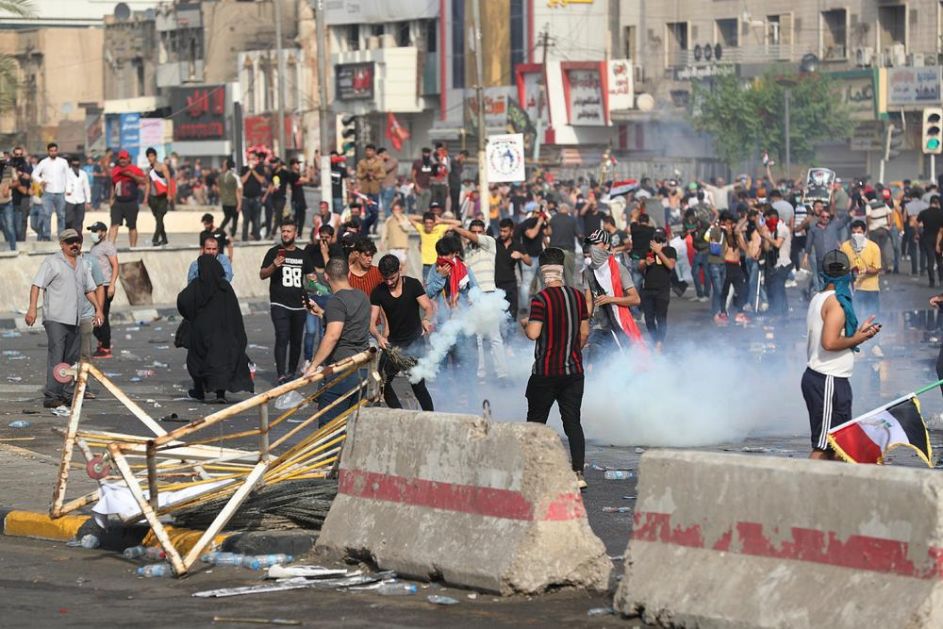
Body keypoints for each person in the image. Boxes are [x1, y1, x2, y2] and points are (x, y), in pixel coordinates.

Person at [803, 250, 881, 460]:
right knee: (824, 447)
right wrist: (860, 339)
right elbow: (829, 342)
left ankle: (831, 490)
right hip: (827, 379)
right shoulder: (836, 303)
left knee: (838, 447)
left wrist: (858, 334)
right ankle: (806, 489)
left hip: (830, 379)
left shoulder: (819, 297)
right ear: (847, 275)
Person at [522, 247, 590, 489]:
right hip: (573, 372)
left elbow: (533, 333)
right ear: (561, 270)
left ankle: (533, 472)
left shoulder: (540, 299)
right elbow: (584, 333)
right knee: (573, 423)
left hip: (545, 373)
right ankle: (579, 474)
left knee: (536, 423)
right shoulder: (577, 296)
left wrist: (525, 323)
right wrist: (572, 353)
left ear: (543, 272)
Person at [25, 229, 102, 409]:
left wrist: (98, 309)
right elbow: (37, 285)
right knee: (57, 356)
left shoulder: (83, 263)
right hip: (56, 318)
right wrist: (31, 309)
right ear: (62, 244)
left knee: (71, 358)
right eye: (70, 242)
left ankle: (68, 394)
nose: (74, 245)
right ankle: (52, 396)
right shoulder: (52, 262)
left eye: (77, 241)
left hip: (74, 318)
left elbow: (89, 289)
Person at [304, 258, 372, 425]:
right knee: (354, 427)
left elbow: (333, 336)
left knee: (330, 428)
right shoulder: (362, 297)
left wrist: (313, 366)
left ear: (326, 277)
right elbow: (349, 324)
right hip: (362, 370)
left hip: (341, 371)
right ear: (348, 273)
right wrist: (321, 313)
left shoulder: (336, 301)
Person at [177, 255, 253, 404]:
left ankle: (199, 390)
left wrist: (192, 315)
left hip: (200, 336)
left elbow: (182, 302)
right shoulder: (225, 287)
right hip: (223, 335)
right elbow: (234, 312)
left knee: (196, 362)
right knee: (221, 364)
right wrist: (237, 333)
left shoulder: (196, 286)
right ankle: (220, 394)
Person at [370, 254, 435, 411]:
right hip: (393, 345)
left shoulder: (412, 285)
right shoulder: (378, 292)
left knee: (418, 386)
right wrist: (378, 337)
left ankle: (430, 417)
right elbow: (371, 323)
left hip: (414, 343)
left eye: (392, 278)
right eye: (385, 279)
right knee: (382, 382)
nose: (389, 282)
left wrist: (426, 319)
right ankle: (399, 415)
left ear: (399, 270)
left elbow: (428, 307)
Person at [453, 219, 510, 380]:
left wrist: (454, 227)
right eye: (474, 231)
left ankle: (502, 374)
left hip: (490, 295)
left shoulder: (489, 243)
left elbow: (470, 236)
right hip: (474, 298)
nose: (476, 235)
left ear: (484, 232)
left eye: (479, 232)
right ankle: (481, 374)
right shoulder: (468, 252)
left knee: (494, 337)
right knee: (477, 339)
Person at [260, 221, 312, 384]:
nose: (285, 234)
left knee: (296, 340)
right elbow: (262, 274)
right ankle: (281, 374)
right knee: (282, 336)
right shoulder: (273, 252)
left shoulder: (303, 255)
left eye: (289, 231)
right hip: (279, 303)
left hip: (298, 305)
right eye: (283, 231)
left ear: (296, 234)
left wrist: (315, 285)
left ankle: (291, 372)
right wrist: (274, 266)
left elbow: (311, 280)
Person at [582, 229, 641, 362]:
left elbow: (635, 299)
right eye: (590, 244)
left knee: (623, 364)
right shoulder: (587, 271)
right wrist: (583, 324)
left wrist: (610, 299)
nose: (592, 247)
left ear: (607, 246)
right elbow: (588, 301)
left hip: (618, 326)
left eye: (595, 243)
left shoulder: (619, 269)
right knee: (593, 362)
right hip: (598, 327)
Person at [638, 228, 676, 348]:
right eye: (656, 237)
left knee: (661, 318)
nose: (658, 240)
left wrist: (659, 252)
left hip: (662, 290)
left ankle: (659, 343)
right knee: (649, 320)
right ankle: (655, 340)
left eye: (660, 237)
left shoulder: (670, 250)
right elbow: (639, 267)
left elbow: (670, 265)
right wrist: (646, 264)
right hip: (648, 289)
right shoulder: (647, 250)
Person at [86, 222, 118, 358]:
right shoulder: (95, 247)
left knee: (102, 316)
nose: (93, 233)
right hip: (95, 285)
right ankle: (101, 342)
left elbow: (115, 265)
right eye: (92, 231)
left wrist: (112, 285)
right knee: (93, 317)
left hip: (104, 285)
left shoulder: (108, 246)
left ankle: (105, 347)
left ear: (103, 232)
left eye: (96, 231)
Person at [840, 220, 881, 321]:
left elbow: (876, 268)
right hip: (854, 290)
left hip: (871, 288)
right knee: (855, 316)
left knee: (872, 317)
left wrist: (866, 270)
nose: (856, 235)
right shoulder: (845, 246)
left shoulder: (873, 247)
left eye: (859, 233)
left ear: (865, 233)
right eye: (854, 233)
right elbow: (841, 265)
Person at [108, 149, 147, 247]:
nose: (122, 161)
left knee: (132, 226)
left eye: (124, 159)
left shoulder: (135, 169)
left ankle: (133, 247)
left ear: (128, 159)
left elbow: (143, 181)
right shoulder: (115, 170)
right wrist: (111, 199)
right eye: (121, 159)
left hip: (131, 202)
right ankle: (110, 247)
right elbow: (113, 185)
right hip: (118, 202)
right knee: (114, 225)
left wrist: (131, 175)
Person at [31, 142, 70, 239]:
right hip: (48, 192)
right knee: (47, 214)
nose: (53, 153)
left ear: (57, 151)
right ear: (48, 151)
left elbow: (68, 176)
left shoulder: (63, 162)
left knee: (61, 215)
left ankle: (61, 236)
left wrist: (68, 189)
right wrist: (41, 181)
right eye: (51, 151)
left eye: (55, 151)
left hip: (60, 192)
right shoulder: (44, 162)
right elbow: (34, 174)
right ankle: (47, 235)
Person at [494, 218, 529, 324]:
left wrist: (521, 256)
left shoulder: (517, 245)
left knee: (512, 313)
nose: (502, 234)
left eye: (505, 231)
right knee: (498, 314)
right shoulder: (495, 243)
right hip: (496, 284)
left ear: (511, 231)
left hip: (511, 283)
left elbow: (529, 262)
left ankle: (512, 338)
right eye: (501, 231)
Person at [718, 212, 749, 325]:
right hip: (726, 264)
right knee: (724, 291)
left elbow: (745, 248)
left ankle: (740, 313)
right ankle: (722, 313)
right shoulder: (722, 235)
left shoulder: (735, 235)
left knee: (741, 290)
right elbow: (723, 251)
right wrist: (728, 235)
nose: (730, 226)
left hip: (736, 265)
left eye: (731, 224)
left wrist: (739, 235)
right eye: (727, 224)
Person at [760, 208, 792, 317]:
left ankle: (779, 313)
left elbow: (777, 244)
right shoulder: (771, 230)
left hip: (782, 263)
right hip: (772, 264)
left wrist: (767, 237)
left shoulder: (782, 228)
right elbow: (767, 248)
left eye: (767, 219)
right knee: (774, 288)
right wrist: (765, 236)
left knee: (777, 288)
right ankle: (781, 312)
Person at [409, 210, 459, 279]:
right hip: (426, 264)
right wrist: (425, 217)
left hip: (438, 263)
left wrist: (441, 220)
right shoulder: (421, 228)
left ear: (434, 223)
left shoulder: (439, 229)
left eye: (430, 223)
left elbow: (458, 223)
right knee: (426, 285)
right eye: (426, 223)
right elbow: (410, 218)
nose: (428, 225)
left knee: (439, 283)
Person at [78, 248, 105, 365]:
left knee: (84, 354)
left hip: (85, 314)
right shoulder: (57, 262)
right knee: (66, 354)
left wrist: (99, 310)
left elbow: (97, 287)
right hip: (64, 316)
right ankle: (67, 382)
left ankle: (82, 382)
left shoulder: (89, 262)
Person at [547, 203, 580, 286]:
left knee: (555, 277)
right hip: (568, 250)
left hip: (555, 250)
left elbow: (549, 232)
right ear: (568, 210)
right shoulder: (572, 220)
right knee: (569, 277)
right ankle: (570, 296)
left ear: (559, 210)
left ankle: (556, 296)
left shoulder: (553, 219)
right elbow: (579, 234)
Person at [145, 147, 171, 246]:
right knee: (158, 219)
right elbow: (148, 184)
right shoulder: (148, 170)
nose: (150, 158)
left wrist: (169, 194)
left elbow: (168, 180)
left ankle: (155, 239)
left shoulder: (162, 167)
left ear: (155, 156)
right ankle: (164, 239)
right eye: (149, 156)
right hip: (153, 197)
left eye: (152, 156)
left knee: (160, 217)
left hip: (163, 196)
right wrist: (146, 197)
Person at [356, 144, 384, 234]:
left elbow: (383, 174)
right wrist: (365, 174)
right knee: (367, 210)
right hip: (365, 190)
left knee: (375, 210)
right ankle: (367, 228)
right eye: (367, 150)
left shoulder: (379, 162)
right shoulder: (362, 162)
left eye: (370, 150)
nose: (368, 152)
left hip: (375, 189)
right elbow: (358, 174)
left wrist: (374, 175)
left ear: (374, 152)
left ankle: (375, 229)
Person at [918, 194, 943, 287]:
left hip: (927, 237)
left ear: (930, 202)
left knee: (930, 259)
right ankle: (941, 279)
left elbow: (917, 222)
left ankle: (931, 281)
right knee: (940, 260)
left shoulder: (924, 212)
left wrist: (917, 233)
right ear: (937, 203)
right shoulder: (941, 213)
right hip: (939, 239)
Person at [241, 152, 266, 241]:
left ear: (256, 160)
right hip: (246, 198)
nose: (251, 161)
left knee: (257, 219)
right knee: (246, 220)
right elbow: (242, 181)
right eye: (249, 159)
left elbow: (261, 180)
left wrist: (253, 171)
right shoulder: (244, 169)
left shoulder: (259, 168)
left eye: (253, 159)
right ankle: (244, 238)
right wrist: (249, 171)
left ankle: (257, 236)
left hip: (256, 198)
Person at [64, 155, 91, 232]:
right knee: (68, 220)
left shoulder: (83, 174)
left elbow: (86, 188)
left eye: (77, 165)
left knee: (79, 221)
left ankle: (78, 237)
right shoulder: (67, 173)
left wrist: (88, 201)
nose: (76, 166)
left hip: (81, 200)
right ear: (71, 165)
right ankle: (68, 235)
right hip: (69, 200)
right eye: (74, 165)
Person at [381, 200, 412, 265]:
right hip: (392, 247)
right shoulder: (389, 220)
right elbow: (385, 232)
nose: (396, 211)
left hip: (403, 248)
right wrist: (382, 242)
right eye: (394, 210)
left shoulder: (405, 218)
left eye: (398, 209)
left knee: (402, 265)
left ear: (401, 210)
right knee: (393, 266)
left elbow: (406, 228)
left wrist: (399, 218)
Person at [218, 158, 241, 238]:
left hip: (224, 202)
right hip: (233, 202)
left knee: (226, 218)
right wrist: (239, 203)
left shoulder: (221, 176)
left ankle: (219, 231)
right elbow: (238, 191)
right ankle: (232, 235)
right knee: (235, 219)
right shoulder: (235, 176)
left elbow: (219, 189)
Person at [411, 147, 435, 212]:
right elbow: (413, 175)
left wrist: (432, 179)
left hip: (428, 187)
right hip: (419, 187)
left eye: (428, 153)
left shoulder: (431, 163)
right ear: (422, 153)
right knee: (419, 207)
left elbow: (432, 175)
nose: (426, 155)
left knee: (426, 207)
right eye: (425, 153)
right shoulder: (417, 163)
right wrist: (416, 186)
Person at [378, 147, 399, 218]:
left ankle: (389, 219)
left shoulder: (393, 160)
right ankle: (389, 218)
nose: (381, 157)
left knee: (386, 204)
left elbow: (385, 169)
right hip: (382, 186)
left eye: (382, 155)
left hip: (390, 186)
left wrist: (380, 160)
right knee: (385, 205)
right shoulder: (381, 162)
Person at [0, 163, 14, 250]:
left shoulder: (9, 170)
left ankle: (13, 248)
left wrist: (9, 186)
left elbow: (17, 182)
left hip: (7, 203)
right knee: (4, 226)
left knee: (9, 226)